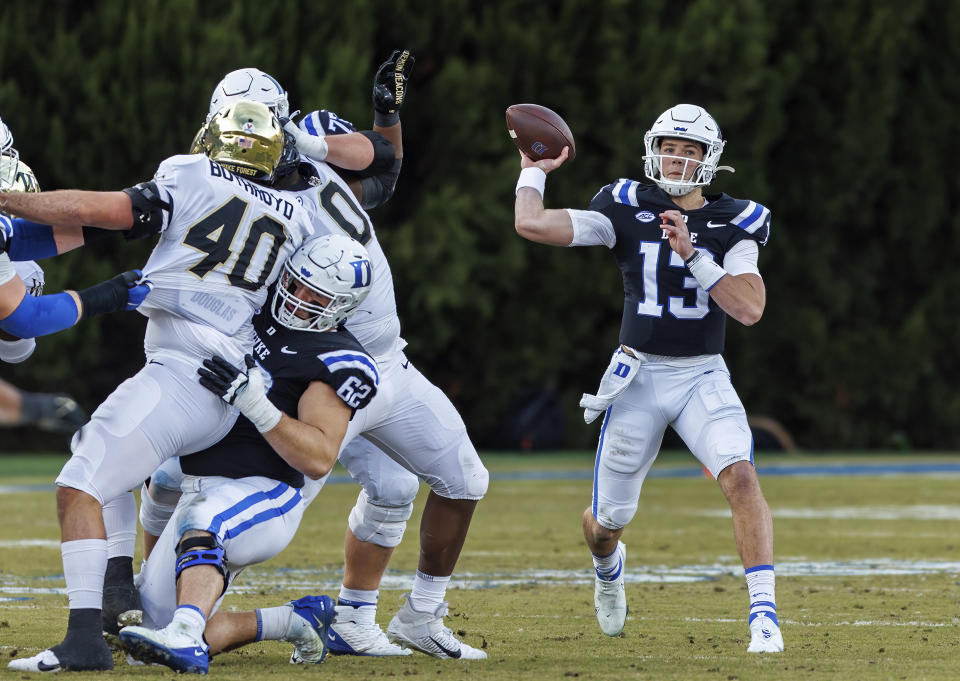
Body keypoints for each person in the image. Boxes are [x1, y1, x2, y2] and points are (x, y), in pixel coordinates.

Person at [4, 99, 324, 673]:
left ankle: (84, 641)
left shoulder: (191, 172)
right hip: (224, 376)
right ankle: (119, 598)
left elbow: (105, 210)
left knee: (78, 485)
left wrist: (9, 200)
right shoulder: (297, 216)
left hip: (183, 372)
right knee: (95, 465)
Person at [512, 103, 782, 653]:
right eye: (669, 147)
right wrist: (533, 170)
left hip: (702, 375)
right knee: (605, 522)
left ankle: (764, 616)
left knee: (742, 477)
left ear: (710, 160)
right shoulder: (623, 204)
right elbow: (531, 223)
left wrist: (694, 254)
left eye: (689, 151)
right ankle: (608, 565)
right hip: (637, 377)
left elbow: (750, 309)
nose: (676, 160)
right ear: (651, 150)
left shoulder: (736, 221)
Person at [117, 234, 379, 674]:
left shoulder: (339, 358)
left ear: (343, 305)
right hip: (195, 481)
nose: (297, 299)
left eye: (314, 295)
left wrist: (256, 405)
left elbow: (318, 458)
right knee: (141, 649)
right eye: (295, 284)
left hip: (263, 490)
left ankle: (183, 630)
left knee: (204, 519)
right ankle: (292, 619)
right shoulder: (252, 307)